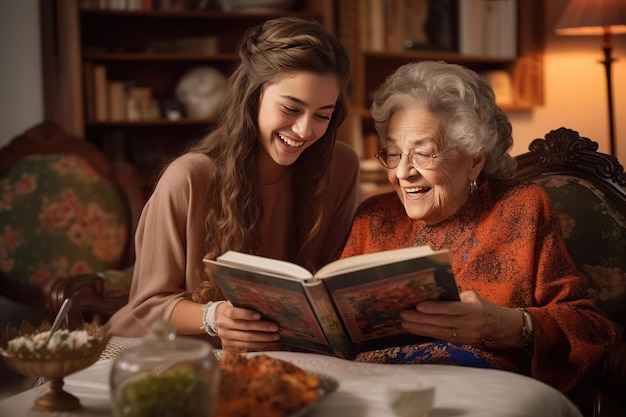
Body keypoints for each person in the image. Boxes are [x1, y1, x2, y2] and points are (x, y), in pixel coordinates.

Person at [339, 61, 622, 409]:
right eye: (394, 152)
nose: (402, 173)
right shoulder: (374, 216)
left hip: (473, 395)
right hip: (369, 390)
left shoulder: (520, 208)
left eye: (423, 154)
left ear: (474, 159)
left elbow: (593, 329)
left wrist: (503, 324)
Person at [109, 17, 360, 351]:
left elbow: (330, 282)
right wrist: (214, 317)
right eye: (290, 108)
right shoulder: (188, 178)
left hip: (284, 349)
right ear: (252, 97)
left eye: (322, 115)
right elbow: (147, 307)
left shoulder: (340, 166)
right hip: (167, 347)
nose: (303, 130)